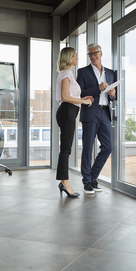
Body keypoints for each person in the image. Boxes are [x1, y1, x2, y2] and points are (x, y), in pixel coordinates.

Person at [77, 43, 116, 194]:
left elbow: (114, 95)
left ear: (101, 53)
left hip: (105, 113)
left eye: (95, 53)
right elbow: (80, 93)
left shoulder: (111, 73)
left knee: (108, 147)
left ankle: (93, 177)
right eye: (90, 54)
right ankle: (87, 181)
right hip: (90, 113)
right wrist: (97, 89)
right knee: (87, 147)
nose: (93, 56)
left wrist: (113, 95)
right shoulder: (83, 72)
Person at [55, 47, 93, 198]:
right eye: (75, 56)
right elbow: (65, 97)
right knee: (66, 149)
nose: (77, 58)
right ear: (69, 58)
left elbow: (71, 94)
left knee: (66, 148)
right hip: (67, 111)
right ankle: (65, 182)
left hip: (69, 112)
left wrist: (83, 98)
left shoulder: (68, 74)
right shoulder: (66, 73)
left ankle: (63, 181)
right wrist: (83, 101)